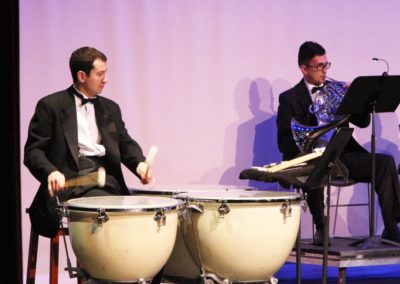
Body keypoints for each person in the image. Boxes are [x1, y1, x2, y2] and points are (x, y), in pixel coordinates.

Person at [276, 41, 400, 245]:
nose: (324, 71)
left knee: (384, 163)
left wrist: (357, 99)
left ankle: (391, 227)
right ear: (304, 68)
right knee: (315, 168)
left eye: (326, 65)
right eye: (319, 66)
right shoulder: (289, 98)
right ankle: (321, 228)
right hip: (313, 156)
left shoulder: (335, 89)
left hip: (344, 154)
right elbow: (284, 141)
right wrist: (310, 140)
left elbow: (362, 123)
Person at [24, 46, 154, 238]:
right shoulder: (51, 106)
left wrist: (140, 164)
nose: (106, 80)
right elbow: (33, 151)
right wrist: (50, 171)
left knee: (143, 215)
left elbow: (125, 143)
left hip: (108, 182)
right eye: (100, 74)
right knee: (108, 218)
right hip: (70, 184)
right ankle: (98, 266)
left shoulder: (110, 108)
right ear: (82, 76)